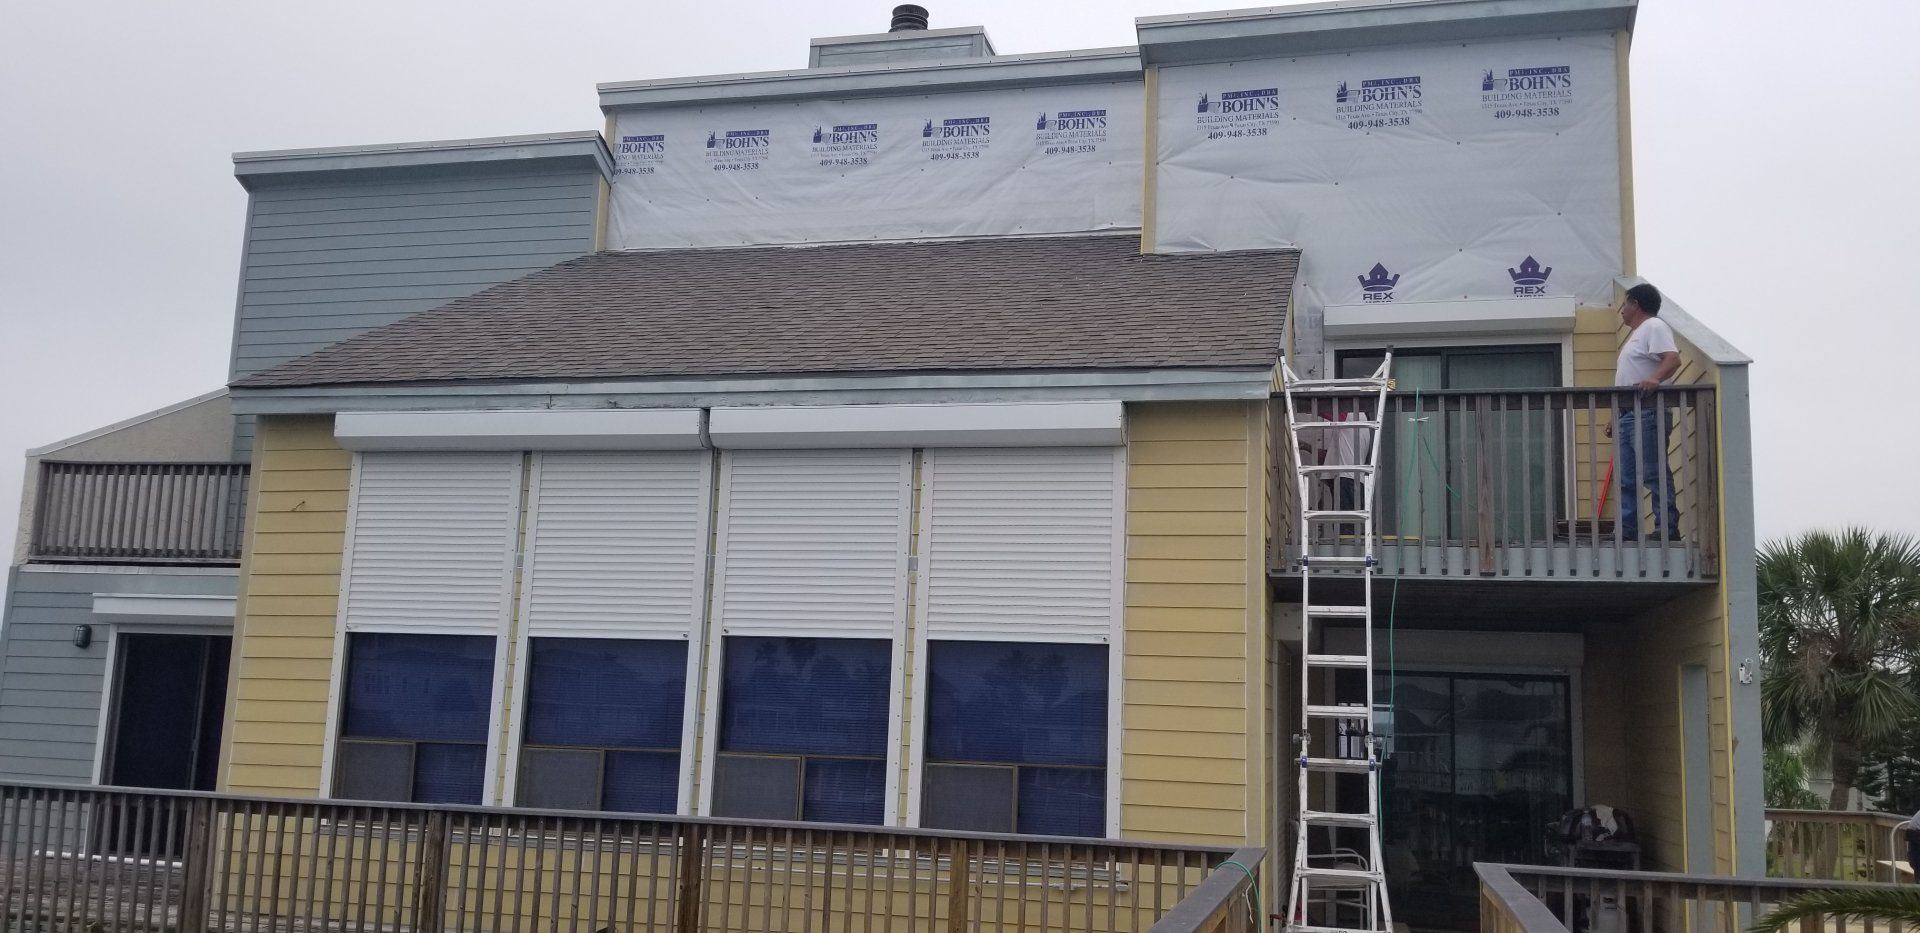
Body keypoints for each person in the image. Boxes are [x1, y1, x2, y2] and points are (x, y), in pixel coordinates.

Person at [1613, 282, 1682, 541]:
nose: (1621, 310)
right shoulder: (1637, 335)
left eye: (1624, 304)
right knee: (1626, 478)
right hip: (1628, 414)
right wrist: (1616, 415)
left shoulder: (1654, 326)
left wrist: (1655, 378)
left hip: (1648, 412)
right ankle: (1628, 531)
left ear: (1635, 304)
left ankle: (1666, 529)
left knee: (1653, 473)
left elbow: (1673, 359)